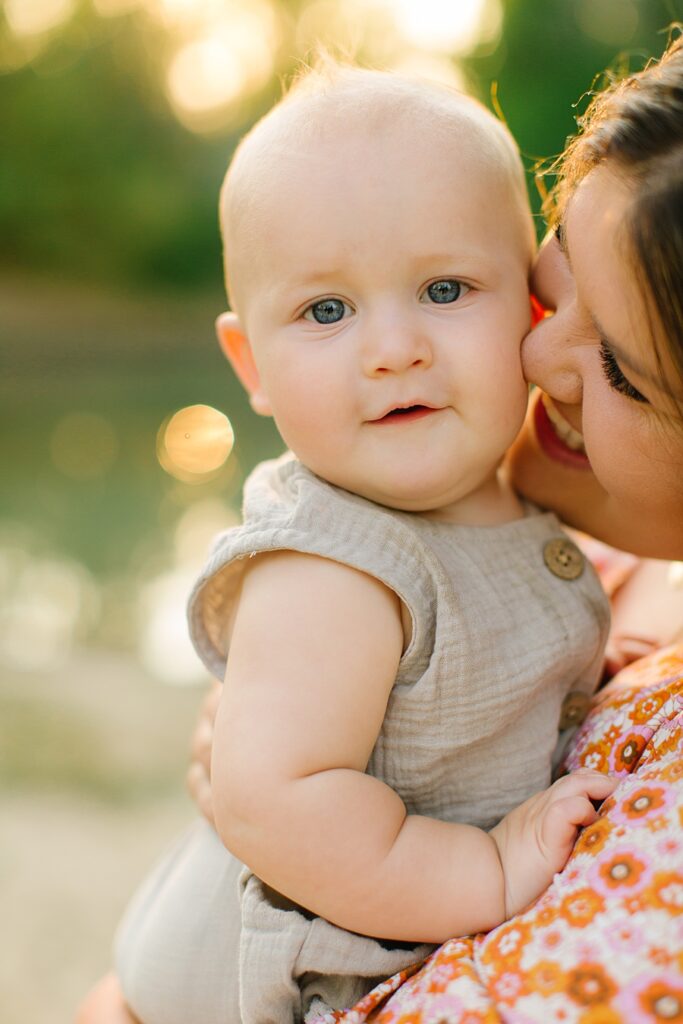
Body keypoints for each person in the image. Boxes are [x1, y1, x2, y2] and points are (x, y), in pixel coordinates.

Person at [76, 34, 683, 1024]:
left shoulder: (499, 506)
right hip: (261, 986)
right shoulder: (334, 566)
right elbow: (276, 802)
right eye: (324, 310)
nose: (394, 350)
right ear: (251, 368)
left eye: (446, 291)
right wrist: (483, 867)